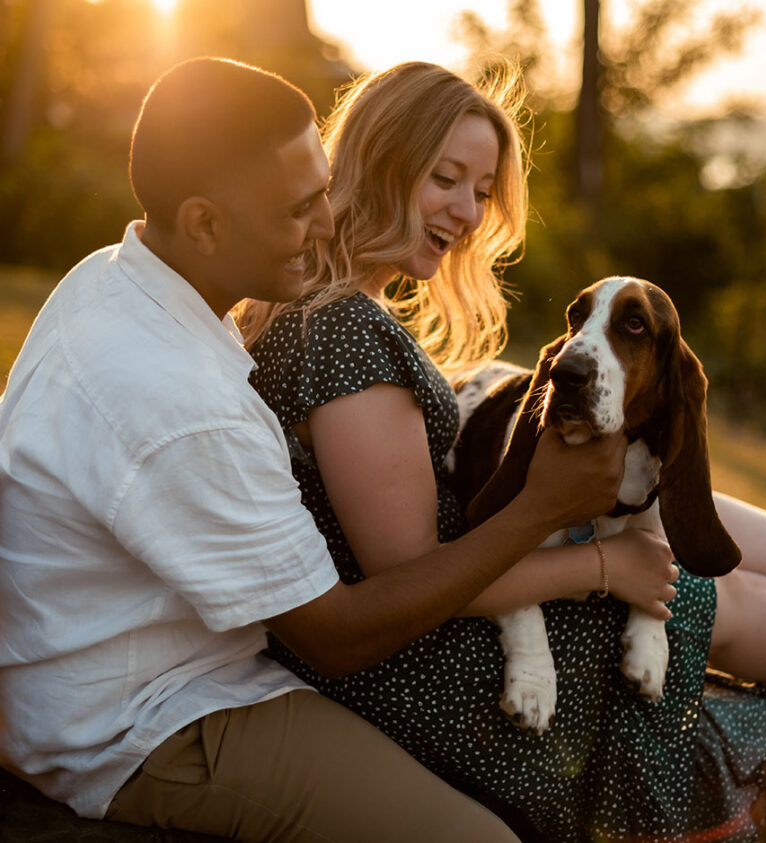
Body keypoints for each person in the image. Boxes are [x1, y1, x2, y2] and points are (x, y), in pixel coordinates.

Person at [236, 60, 766, 843]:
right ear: (383, 162)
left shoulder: (336, 313)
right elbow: (408, 580)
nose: (470, 213)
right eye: (448, 179)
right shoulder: (341, 329)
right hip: (431, 669)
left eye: (481, 192)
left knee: (662, 510)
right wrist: (602, 567)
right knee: (704, 595)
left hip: (452, 616)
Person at [0, 57, 644, 843]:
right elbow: (339, 637)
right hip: (141, 716)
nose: (330, 220)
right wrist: (545, 506)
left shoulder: (111, 275)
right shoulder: (187, 404)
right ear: (204, 223)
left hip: (96, 665)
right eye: (302, 207)